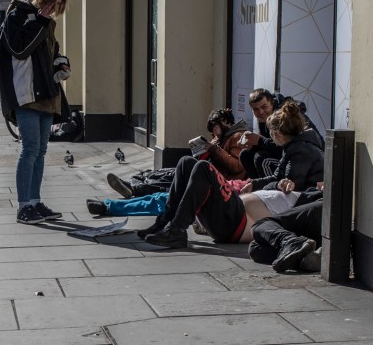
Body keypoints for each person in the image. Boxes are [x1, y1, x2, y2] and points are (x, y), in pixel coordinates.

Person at [141, 100, 324, 248]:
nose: (270, 136)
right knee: (186, 163)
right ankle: (166, 221)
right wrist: (256, 183)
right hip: (236, 213)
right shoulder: (294, 148)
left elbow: (287, 184)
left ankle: (176, 229)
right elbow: (279, 179)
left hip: (238, 222)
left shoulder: (302, 152)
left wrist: (267, 184)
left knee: (203, 168)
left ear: (279, 133)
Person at [0, 0, 70, 224]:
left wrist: (61, 62)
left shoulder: (48, 23)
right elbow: (20, 50)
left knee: (41, 151)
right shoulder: (17, 16)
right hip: (26, 94)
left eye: (57, 5)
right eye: (51, 2)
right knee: (29, 149)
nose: (53, 8)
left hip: (47, 93)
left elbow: (51, 53)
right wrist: (39, 20)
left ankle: (35, 202)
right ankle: (23, 206)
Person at [105, 108, 247, 201]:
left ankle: (135, 189)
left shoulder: (236, 137)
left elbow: (236, 167)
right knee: (158, 173)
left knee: (173, 179)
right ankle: (133, 183)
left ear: (225, 122)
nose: (214, 133)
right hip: (205, 172)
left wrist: (213, 149)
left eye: (215, 127)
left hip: (216, 180)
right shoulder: (221, 138)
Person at [239, 88, 322, 179]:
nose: (261, 112)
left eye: (264, 107)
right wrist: (252, 143)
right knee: (246, 154)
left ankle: (267, 190)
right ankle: (258, 186)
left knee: (262, 159)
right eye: (255, 109)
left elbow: (287, 147)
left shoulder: (284, 117)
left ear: (272, 103)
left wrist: (259, 140)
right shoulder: (266, 118)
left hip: (303, 161)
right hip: (289, 157)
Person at [248, 188, 324, 273]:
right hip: (325, 232)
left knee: (261, 224)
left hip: (326, 211)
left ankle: (291, 241)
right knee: (255, 248)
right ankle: (307, 258)